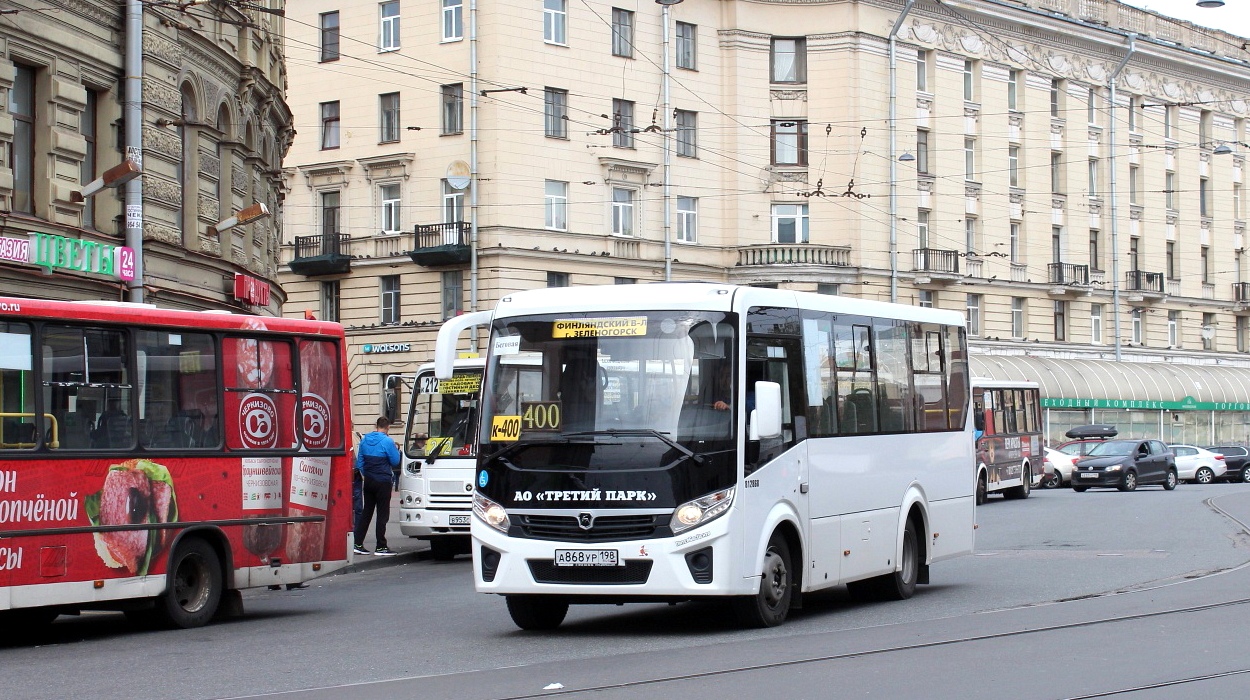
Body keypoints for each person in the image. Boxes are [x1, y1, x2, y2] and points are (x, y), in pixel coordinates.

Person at [353, 417, 401, 556]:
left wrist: (367, 474)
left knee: (366, 512)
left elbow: (360, 461)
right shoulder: (387, 441)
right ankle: (381, 546)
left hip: (369, 480)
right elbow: (395, 460)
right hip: (383, 481)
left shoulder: (365, 439)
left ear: (376, 426)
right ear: (388, 428)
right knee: (382, 514)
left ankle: (358, 543)